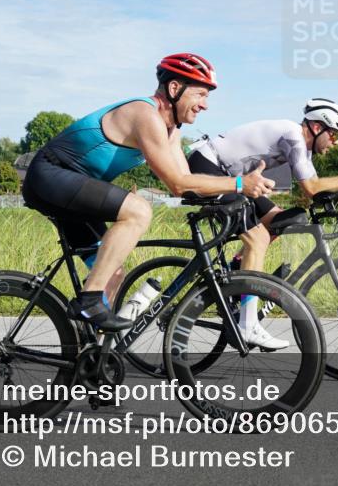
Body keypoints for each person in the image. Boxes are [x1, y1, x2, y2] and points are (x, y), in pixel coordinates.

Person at [21, 53, 276, 337]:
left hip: (73, 188)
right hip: (50, 176)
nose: (205, 104)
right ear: (175, 88)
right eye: (201, 94)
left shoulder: (171, 130)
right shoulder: (145, 115)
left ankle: (91, 349)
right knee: (138, 211)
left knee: (112, 272)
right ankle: (88, 301)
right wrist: (239, 184)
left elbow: (188, 183)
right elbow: (177, 184)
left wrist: (232, 200)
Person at [186, 98, 338, 349]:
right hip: (208, 166)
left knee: (279, 219)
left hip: (230, 174)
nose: (336, 142)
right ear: (317, 127)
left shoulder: (302, 147)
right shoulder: (294, 137)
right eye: (334, 134)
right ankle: (247, 324)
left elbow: (317, 191)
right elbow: (312, 188)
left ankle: (236, 270)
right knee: (258, 239)